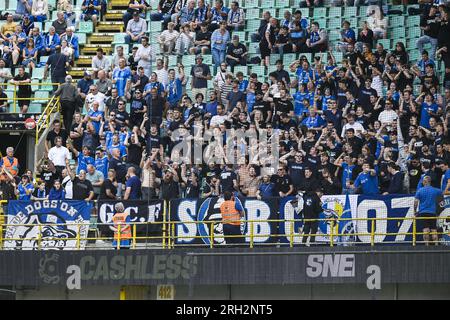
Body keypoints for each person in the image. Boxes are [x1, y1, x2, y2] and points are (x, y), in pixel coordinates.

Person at [414, 176, 443, 245]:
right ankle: (436, 245)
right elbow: (442, 196)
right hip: (433, 212)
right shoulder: (436, 190)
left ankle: (426, 245)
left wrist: (415, 211)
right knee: (434, 230)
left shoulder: (420, 190)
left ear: (424, 182)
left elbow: (416, 202)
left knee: (425, 230)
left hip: (423, 212)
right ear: (430, 182)